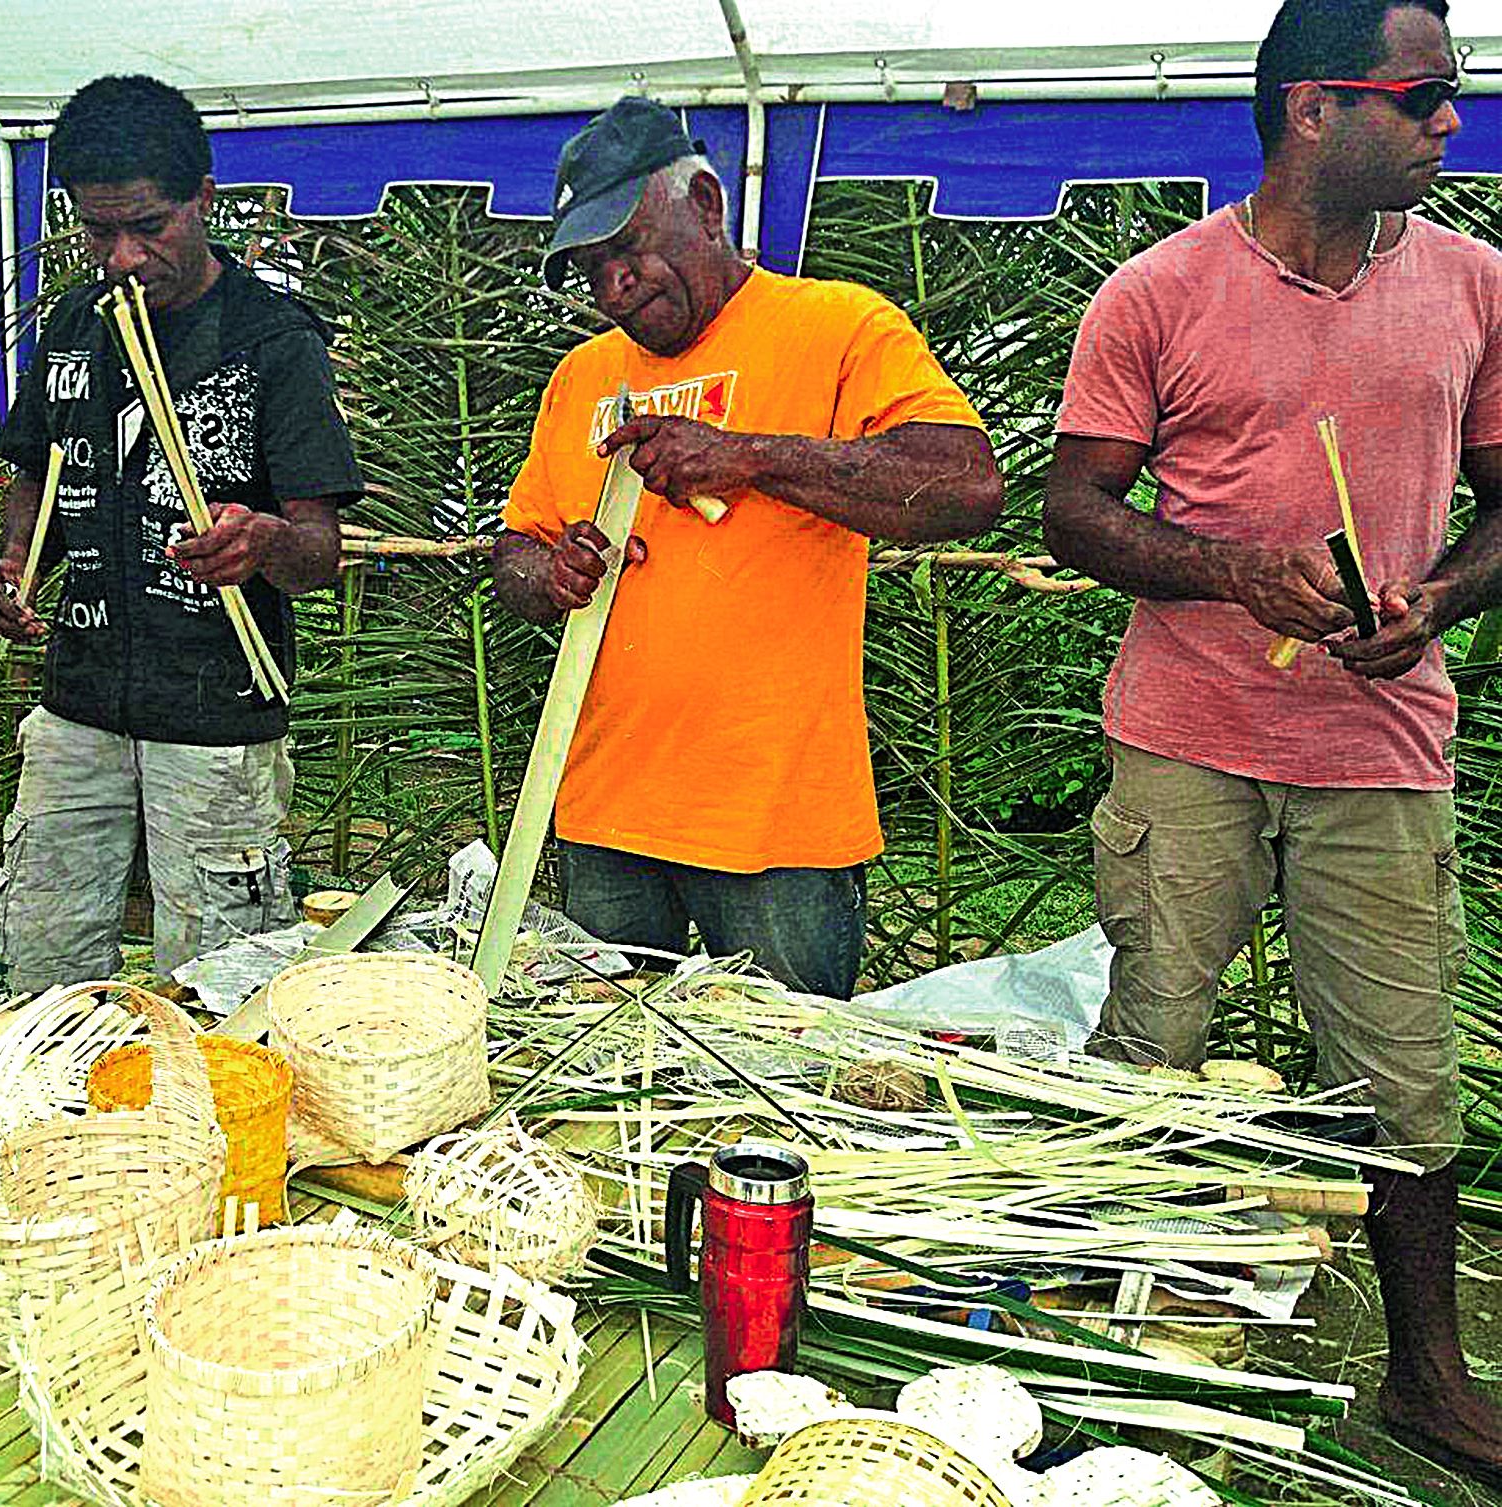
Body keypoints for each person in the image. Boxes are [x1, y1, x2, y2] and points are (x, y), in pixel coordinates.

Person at [1045, 0, 1502, 1478]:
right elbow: (1074, 511)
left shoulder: (1475, 285)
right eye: (1424, 96)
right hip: (1187, 735)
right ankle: (1098, 1348)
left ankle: (1430, 1377)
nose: (1450, 122)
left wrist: (1431, 599)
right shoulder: (1156, 292)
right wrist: (1238, 569)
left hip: (1379, 740)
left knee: (1402, 1077)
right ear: (1314, 107)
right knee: (1150, 1049)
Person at [493, 97, 1005, 998]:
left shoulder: (838, 326)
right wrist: (551, 570)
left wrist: (751, 456)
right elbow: (513, 554)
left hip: (776, 826)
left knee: (785, 1098)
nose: (615, 285)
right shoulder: (581, 378)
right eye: (591, 269)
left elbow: (965, 487)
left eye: (629, 248)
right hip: (604, 812)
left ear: (706, 202)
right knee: (596, 1089)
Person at [0, 77, 362, 991]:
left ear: (203, 200)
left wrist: (262, 540)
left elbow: (319, 548)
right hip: (78, 704)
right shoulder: (76, 323)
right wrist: (13, 564)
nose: (121, 257)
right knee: (44, 966)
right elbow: (35, 467)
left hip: (217, 715)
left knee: (219, 985)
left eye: (147, 227)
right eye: (96, 231)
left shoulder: (272, 341)